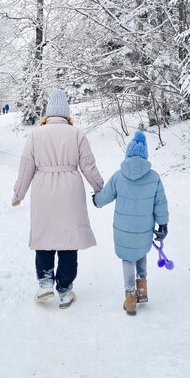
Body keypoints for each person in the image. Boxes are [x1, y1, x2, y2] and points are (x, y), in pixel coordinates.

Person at [12, 88, 103, 309]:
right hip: (70, 191)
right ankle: (64, 289)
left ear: (48, 114)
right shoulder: (77, 134)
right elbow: (88, 166)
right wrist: (100, 188)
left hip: (43, 191)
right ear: (67, 114)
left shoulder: (35, 135)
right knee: (68, 241)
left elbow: (26, 169)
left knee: (44, 239)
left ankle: (45, 284)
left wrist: (18, 194)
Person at [93, 130, 168, 316]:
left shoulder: (119, 176)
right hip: (144, 228)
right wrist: (163, 225)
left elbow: (105, 196)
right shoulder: (154, 177)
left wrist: (96, 200)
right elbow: (160, 203)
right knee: (141, 252)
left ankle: (130, 297)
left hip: (123, 228)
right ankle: (142, 290)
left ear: (128, 153)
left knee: (128, 257)